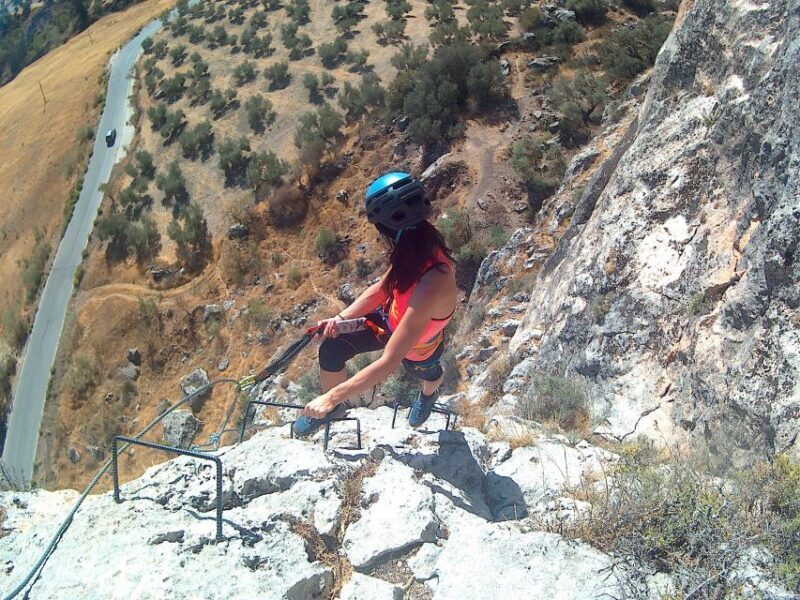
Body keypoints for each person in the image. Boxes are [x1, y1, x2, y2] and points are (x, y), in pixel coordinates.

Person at [293, 172, 458, 435]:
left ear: (385, 228)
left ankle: (429, 395)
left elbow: (390, 360)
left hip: (418, 344)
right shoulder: (413, 245)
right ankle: (333, 413)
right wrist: (342, 318)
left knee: (426, 373)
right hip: (390, 321)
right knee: (332, 349)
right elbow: (383, 287)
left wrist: (331, 395)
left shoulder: (433, 281)